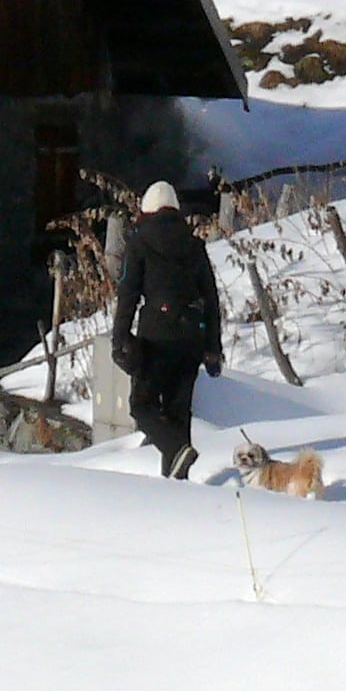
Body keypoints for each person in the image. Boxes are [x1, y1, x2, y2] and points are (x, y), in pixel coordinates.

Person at [109, 179, 222, 480]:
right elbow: (211, 298)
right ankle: (176, 483)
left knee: (141, 406)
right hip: (192, 337)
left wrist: (119, 337)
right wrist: (214, 348)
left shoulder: (139, 242)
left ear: (147, 211)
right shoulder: (194, 244)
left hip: (156, 335)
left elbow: (128, 293)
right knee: (178, 410)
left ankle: (176, 448)